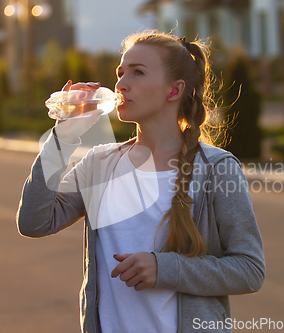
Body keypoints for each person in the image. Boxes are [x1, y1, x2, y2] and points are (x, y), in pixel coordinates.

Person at [16, 31, 265, 333]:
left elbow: (250, 269)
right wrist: (63, 139)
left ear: (174, 91)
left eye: (138, 72)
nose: (121, 84)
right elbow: (34, 221)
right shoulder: (100, 164)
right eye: (120, 73)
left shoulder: (216, 169)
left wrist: (165, 268)